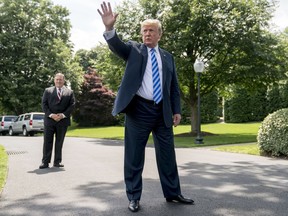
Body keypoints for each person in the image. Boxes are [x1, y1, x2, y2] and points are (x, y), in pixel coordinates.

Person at [97, 1, 194, 212]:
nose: (147, 34)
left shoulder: (168, 57)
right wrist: (109, 28)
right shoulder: (134, 50)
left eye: (151, 30)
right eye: (144, 31)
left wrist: (177, 110)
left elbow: (173, 87)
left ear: (159, 34)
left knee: (167, 155)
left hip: (163, 111)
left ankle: (173, 193)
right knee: (134, 156)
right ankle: (133, 197)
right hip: (138, 110)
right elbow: (117, 46)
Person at [39, 73, 75, 169]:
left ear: (64, 80)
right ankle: (45, 162)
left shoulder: (70, 92)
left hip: (63, 121)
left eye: (60, 79)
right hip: (49, 120)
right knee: (47, 142)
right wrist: (52, 115)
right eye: (57, 79)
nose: (59, 81)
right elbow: (44, 104)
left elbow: (72, 105)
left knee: (59, 142)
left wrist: (62, 115)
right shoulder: (48, 91)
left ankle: (57, 162)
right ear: (54, 80)